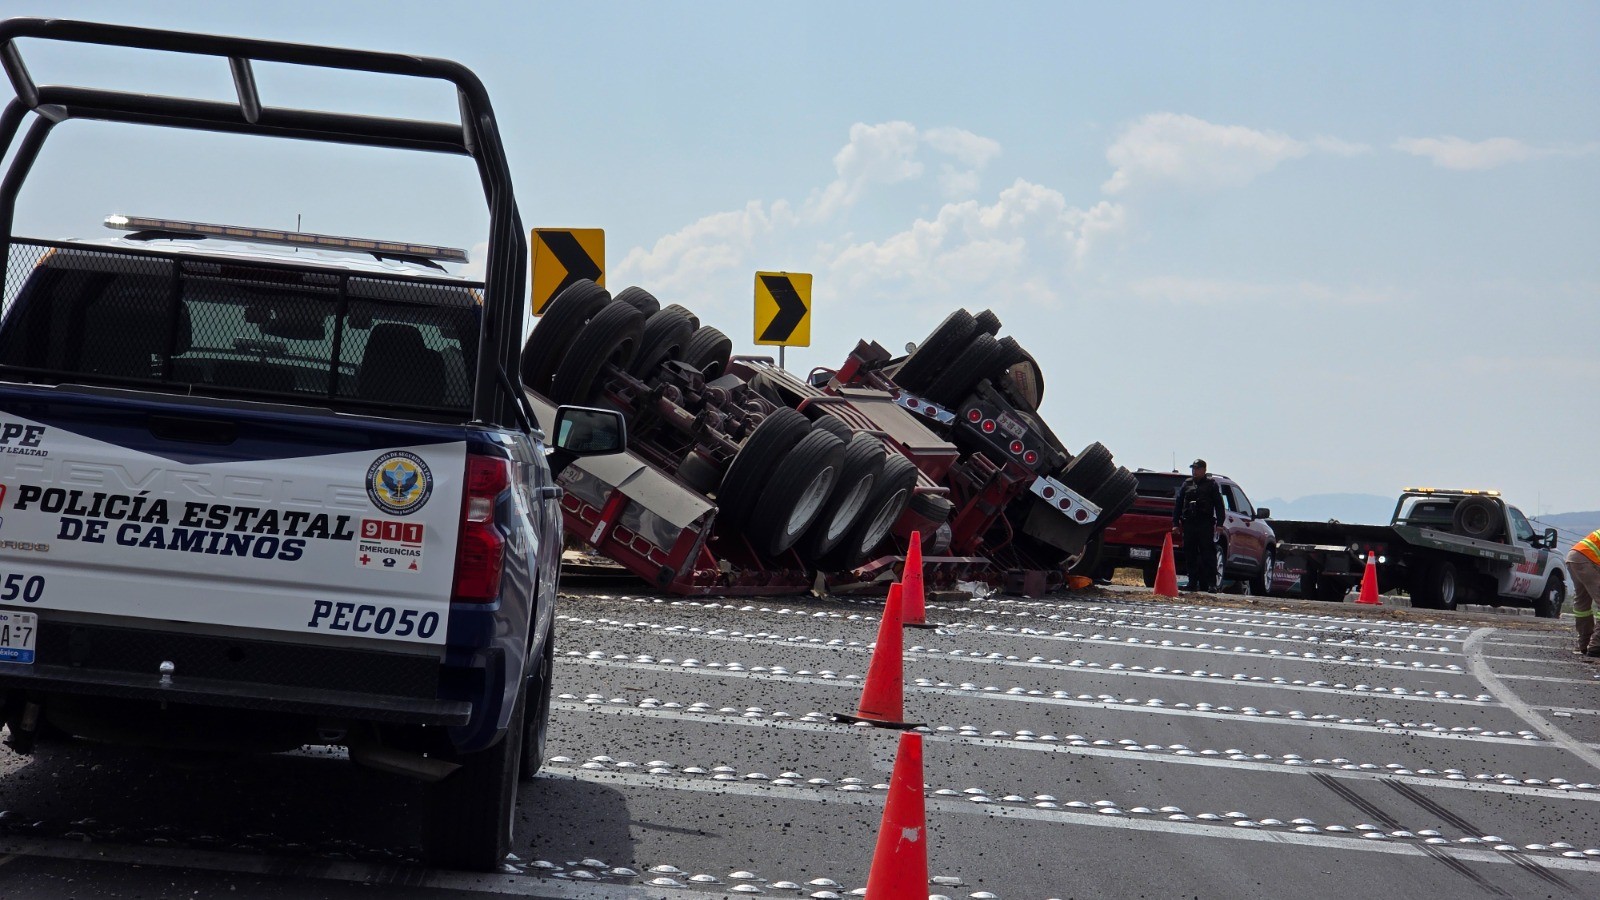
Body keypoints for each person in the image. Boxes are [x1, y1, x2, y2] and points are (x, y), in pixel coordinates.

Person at [1172, 459, 1226, 592]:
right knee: (1190, 554)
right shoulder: (1187, 484)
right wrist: (1175, 523)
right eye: (1193, 469)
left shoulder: (1211, 485)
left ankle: (1211, 584)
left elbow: (1219, 506)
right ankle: (1192, 582)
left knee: (1208, 554)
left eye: (1197, 469)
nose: (1194, 471)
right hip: (1189, 523)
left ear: (1203, 470)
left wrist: (1220, 523)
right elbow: (1178, 504)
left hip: (1205, 524)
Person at [1567, 527, 1600, 656]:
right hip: (1586, 560)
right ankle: (1596, 645)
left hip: (1574, 557)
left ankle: (1584, 643)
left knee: (1582, 604)